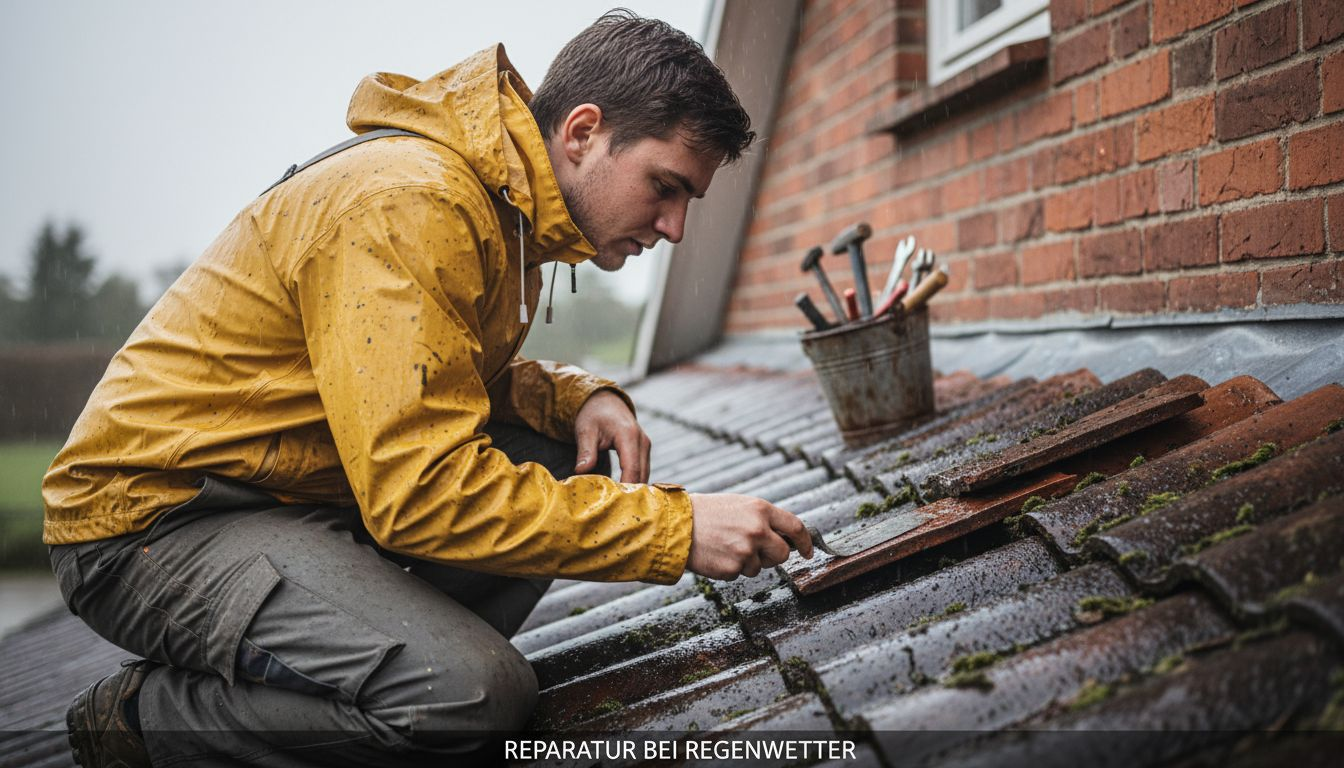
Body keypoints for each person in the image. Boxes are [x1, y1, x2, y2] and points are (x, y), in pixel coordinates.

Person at [42, 10, 814, 767]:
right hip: (151, 521)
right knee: (477, 696)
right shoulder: (413, 203)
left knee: (558, 451)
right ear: (582, 133)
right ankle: (144, 723)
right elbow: (421, 493)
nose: (675, 228)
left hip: (276, 495)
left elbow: (434, 375)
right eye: (666, 186)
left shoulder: (504, 214)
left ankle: (383, 661)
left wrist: (581, 396)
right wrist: (674, 531)